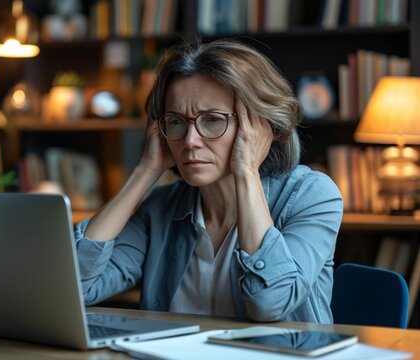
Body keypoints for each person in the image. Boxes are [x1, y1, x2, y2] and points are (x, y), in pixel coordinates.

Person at [74, 38, 343, 324]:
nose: (190, 141)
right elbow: (74, 288)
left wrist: (247, 170)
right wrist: (146, 170)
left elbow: (270, 303)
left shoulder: (311, 196)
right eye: (176, 121)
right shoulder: (160, 209)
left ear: (262, 126)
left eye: (213, 120)